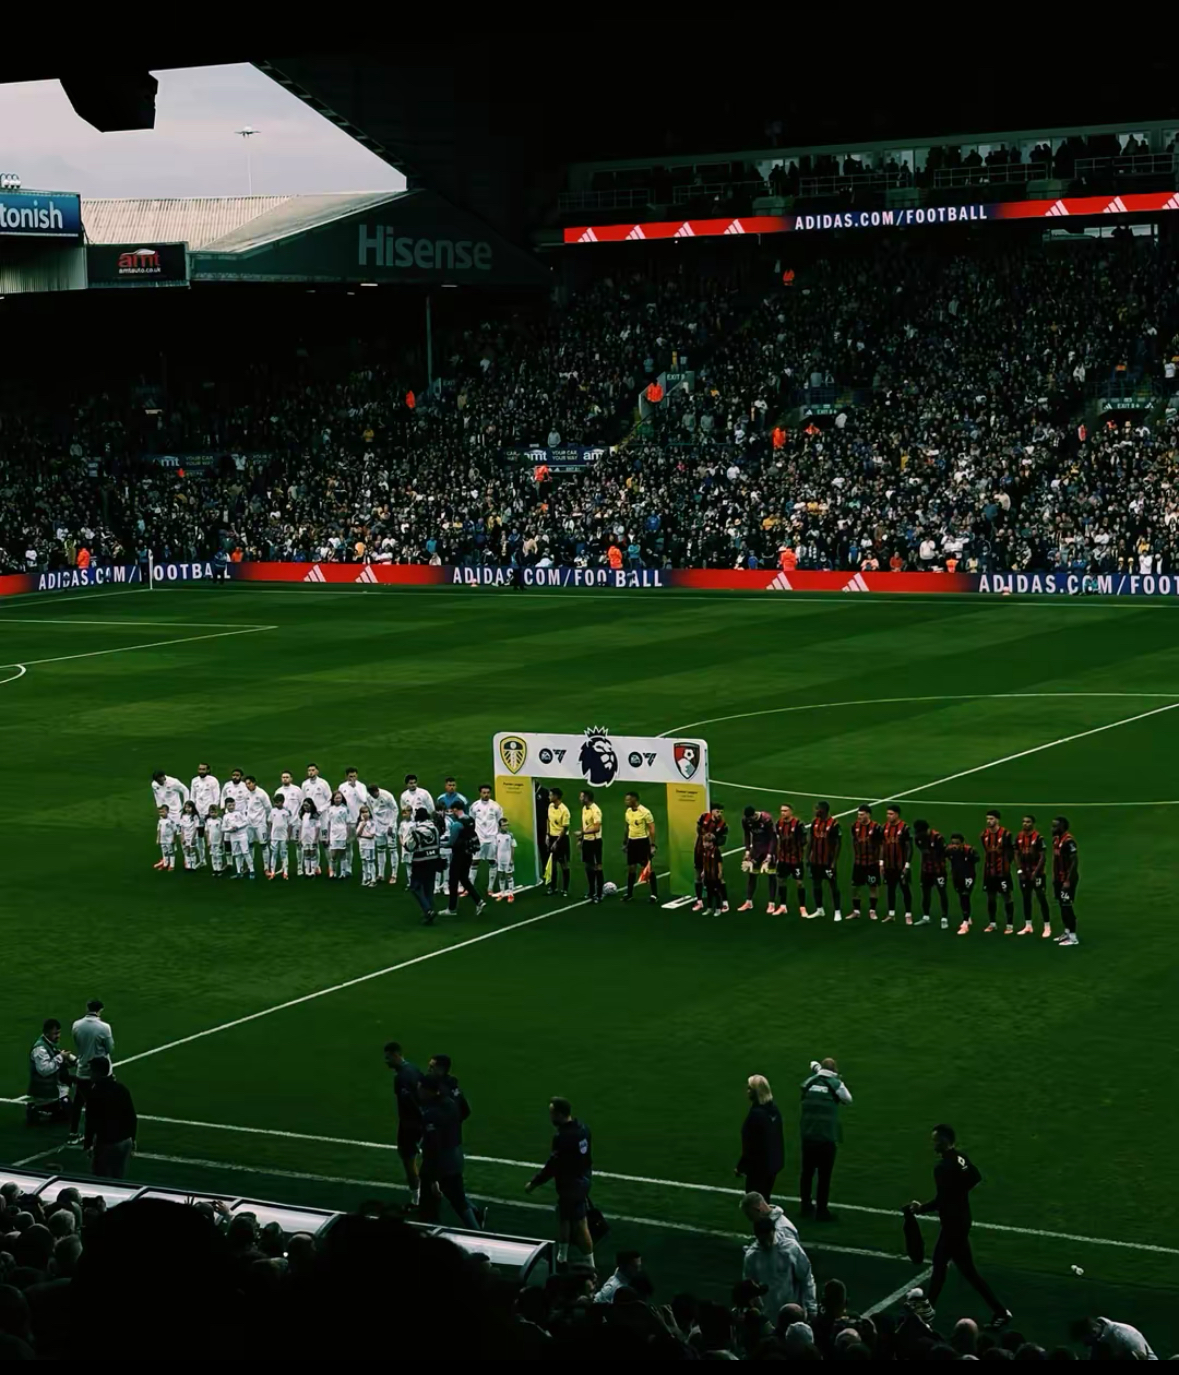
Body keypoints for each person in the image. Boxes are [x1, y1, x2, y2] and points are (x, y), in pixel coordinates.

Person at [907, 1124, 1010, 1328]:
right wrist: (959, 1192)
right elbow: (975, 1177)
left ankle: (926, 1314)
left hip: (953, 1224)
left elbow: (942, 1199)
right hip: (962, 1219)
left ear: (944, 1141)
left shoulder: (942, 1168)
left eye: (936, 1140)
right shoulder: (960, 1158)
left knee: (940, 1266)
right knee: (966, 1271)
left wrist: (921, 1208)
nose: (933, 1144)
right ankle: (1000, 1311)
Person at [526, 1096, 595, 1269]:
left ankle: (590, 1265)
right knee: (564, 1216)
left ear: (559, 1114)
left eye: (552, 1113)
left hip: (571, 1184)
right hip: (583, 1178)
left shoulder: (563, 1137)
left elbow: (553, 1165)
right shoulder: (583, 1128)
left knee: (580, 1224)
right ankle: (562, 1256)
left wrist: (535, 1183)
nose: (550, 1117)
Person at [418, 1075, 485, 1230]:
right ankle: (476, 1227)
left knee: (430, 1204)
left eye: (420, 1087)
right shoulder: (450, 1103)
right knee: (458, 1197)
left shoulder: (431, 1114)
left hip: (440, 1163)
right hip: (456, 1155)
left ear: (428, 1090)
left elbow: (433, 1147)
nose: (418, 1090)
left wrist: (433, 1178)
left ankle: (430, 1232)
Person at [742, 1208, 816, 1323]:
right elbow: (748, 1289)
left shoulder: (790, 1248)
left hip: (793, 1313)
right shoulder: (752, 1256)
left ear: (774, 1231)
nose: (767, 1244)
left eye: (769, 1239)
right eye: (762, 1241)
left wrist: (811, 1307)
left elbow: (806, 1278)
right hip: (767, 1316)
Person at [799, 1058, 851, 1221]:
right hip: (826, 1138)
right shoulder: (836, 1084)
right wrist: (837, 1080)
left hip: (808, 1135)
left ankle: (805, 1206)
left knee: (806, 1173)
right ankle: (822, 1210)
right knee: (824, 1176)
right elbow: (848, 1099)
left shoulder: (808, 1082)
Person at [383, 1042, 425, 1206]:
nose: (386, 1061)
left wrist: (416, 1123)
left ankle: (416, 1198)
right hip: (418, 1122)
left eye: (388, 1058)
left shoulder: (401, 1077)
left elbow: (409, 1103)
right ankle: (423, 1194)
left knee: (408, 1160)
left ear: (396, 1055)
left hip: (409, 1125)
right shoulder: (414, 1069)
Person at [84, 1057, 138, 1180]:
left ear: (98, 1073)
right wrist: (133, 1138)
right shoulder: (121, 1089)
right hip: (125, 1141)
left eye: (92, 1071)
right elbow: (131, 1116)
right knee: (118, 1176)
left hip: (108, 1143)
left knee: (101, 1178)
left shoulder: (95, 1092)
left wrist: (88, 1144)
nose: (90, 1073)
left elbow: (91, 1121)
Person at [69, 997, 114, 1141]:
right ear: (100, 1010)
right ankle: (103, 1131)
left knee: (78, 1102)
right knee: (104, 1102)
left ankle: (73, 1132)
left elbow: (77, 1043)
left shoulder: (76, 1025)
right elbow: (109, 1048)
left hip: (82, 1068)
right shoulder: (104, 1027)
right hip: (101, 1071)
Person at [736, 1074, 784, 1202]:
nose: (747, 1091)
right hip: (772, 1164)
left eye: (749, 1089)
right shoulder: (774, 1111)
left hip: (759, 1167)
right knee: (764, 1199)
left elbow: (751, 1145)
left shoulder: (756, 1115)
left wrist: (741, 1166)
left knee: (755, 1204)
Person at [27, 1018, 74, 1125]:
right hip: (45, 1090)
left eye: (59, 1032)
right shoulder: (40, 1050)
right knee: (66, 1114)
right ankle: (37, 1111)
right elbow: (44, 1070)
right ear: (47, 1033)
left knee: (68, 1112)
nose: (58, 1036)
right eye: (55, 1033)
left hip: (52, 1087)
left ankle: (44, 1111)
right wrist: (60, 1057)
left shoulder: (49, 1044)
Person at [443, 803, 486, 916]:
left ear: (456, 809)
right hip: (468, 853)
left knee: (453, 881)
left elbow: (451, 843)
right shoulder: (470, 820)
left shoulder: (457, 825)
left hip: (458, 855)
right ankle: (478, 901)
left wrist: (440, 844)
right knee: (464, 879)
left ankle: (452, 909)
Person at [1015, 813, 1052, 938]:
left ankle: (1047, 926)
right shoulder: (1019, 837)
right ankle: (1028, 925)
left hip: (1037, 874)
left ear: (1033, 824)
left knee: (1041, 897)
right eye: (1024, 821)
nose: (1025, 824)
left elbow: (1042, 856)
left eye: (1028, 822)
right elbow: (1016, 854)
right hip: (1024, 873)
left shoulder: (1038, 838)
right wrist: (1020, 870)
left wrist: (1035, 872)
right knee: (1026, 898)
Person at [980, 809, 1016, 934]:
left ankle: (1010, 925)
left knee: (1007, 897)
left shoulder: (1006, 834)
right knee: (991, 897)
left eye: (991, 819)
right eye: (988, 819)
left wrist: (1005, 866)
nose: (989, 821)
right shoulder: (983, 835)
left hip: (1002, 872)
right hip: (989, 872)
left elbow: (1010, 852)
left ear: (997, 820)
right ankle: (992, 923)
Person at [405, 806, 442, 924]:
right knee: (429, 888)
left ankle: (428, 910)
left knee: (415, 887)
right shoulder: (435, 828)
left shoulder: (417, 830)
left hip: (421, 861)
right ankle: (429, 913)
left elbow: (409, 846)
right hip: (434, 860)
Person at [807, 801, 843, 921]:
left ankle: (837, 911)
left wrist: (834, 862)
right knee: (816, 884)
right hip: (815, 860)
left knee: (833, 885)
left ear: (823, 810)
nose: (815, 810)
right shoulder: (814, 823)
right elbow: (811, 840)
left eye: (817, 809)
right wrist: (808, 856)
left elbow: (838, 844)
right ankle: (819, 909)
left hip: (827, 861)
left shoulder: (834, 824)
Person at [622, 791, 658, 904]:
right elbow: (627, 827)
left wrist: (652, 845)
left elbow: (652, 829)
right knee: (631, 868)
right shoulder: (628, 812)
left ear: (635, 800)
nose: (626, 801)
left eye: (628, 799)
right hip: (632, 842)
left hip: (642, 842)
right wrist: (625, 842)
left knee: (647, 868)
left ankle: (654, 894)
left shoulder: (645, 812)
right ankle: (629, 893)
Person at [738, 807, 777, 913]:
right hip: (756, 850)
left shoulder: (766, 819)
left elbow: (773, 838)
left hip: (768, 849)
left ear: (755, 815)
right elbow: (747, 835)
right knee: (752, 875)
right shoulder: (745, 820)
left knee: (771, 876)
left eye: (751, 819)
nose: (749, 821)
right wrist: (747, 851)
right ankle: (749, 901)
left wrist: (769, 855)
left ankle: (771, 904)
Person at [693, 801, 729, 913]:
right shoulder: (704, 817)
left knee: (718, 877)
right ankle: (699, 901)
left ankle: (724, 902)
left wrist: (712, 843)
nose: (719, 814)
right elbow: (698, 828)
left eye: (721, 812)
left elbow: (723, 840)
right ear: (712, 811)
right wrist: (703, 840)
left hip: (712, 854)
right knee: (698, 875)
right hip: (699, 850)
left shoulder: (723, 825)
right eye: (717, 811)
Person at [849, 804, 883, 921]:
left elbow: (880, 845)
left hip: (872, 863)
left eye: (862, 815)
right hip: (859, 863)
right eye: (858, 814)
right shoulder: (855, 826)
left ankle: (872, 910)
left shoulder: (876, 827)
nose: (859, 817)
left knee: (873, 887)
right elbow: (855, 841)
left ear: (868, 815)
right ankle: (856, 911)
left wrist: (880, 861)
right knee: (855, 886)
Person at [913, 820, 949, 928]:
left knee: (942, 892)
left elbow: (943, 853)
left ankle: (944, 917)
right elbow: (921, 849)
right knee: (925, 893)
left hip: (939, 871)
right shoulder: (918, 837)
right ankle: (926, 916)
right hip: (926, 870)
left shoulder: (938, 838)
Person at [773, 804, 807, 917]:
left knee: (799, 883)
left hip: (796, 860)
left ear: (791, 812)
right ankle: (782, 906)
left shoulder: (798, 824)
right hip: (783, 859)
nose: (783, 813)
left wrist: (798, 848)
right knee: (781, 881)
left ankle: (802, 907)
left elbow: (804, 840)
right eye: (782, 811)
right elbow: (777, 839)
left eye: (785, 811)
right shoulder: (778, 823)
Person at [881, 804, 914, 924]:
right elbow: (883, 846)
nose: (888, 816)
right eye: (887, 814)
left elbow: (910, 848)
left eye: (891, 814)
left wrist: (907, 865)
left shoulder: (905, 828)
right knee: (890, 889)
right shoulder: (884, 827)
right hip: (889, 865)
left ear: (897, 814)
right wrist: (881, 862)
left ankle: (908, 914)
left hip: (901, 866)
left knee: (905, 889)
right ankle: (891, 914)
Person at [1051, 815, 1079, 947]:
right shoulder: (1056, 840)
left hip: (1067, 879)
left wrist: (1067, 880)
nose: (1052, 828)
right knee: (1062, 905)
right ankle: (1067, 932)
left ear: (1062, 827)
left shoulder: (1069, 841)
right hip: (1058, 879)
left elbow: (1074, 861)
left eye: (1055, 826)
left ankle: (1073, 937)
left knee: (1067, 906)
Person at [470, 784, 504, 892]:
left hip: (492, 838)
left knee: (492, 862)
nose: (486, 795)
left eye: (488, 793)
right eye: (484, 793)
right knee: (475, 861)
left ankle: (490, 888)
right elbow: (471, 821)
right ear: (480, 793)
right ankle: (470, 887)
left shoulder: (496, 806)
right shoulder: (474, 806)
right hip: (479, 838)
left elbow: (500, 821)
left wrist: (498, 836)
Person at [338, 767, 368, 879]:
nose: (352, 778)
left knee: (363, 846)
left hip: (360, 821)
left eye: (354, 776)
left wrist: (355, 788)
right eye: (350, 777)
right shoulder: (342, 787)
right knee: (348, 846)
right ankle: (348, 868)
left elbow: (364, 799)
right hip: (348, 821)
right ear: (346, 777)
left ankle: (366, 870)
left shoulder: (361, 786)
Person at [366, 784, 399, 884]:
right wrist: (375, 824)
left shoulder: (387, 796)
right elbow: (372, 811)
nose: (374, 796)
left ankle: (394, 874)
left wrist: (391, 825)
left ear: (377, 791)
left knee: (392, 850)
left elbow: (395, 809)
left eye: (375, 794)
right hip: (378, 826)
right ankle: (381, 874)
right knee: (380, 850)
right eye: (372, 794)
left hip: (389, 825)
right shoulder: (368, 797)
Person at [576, 788, 604, 903]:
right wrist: (581, 839)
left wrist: (582, 833)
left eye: (581, 796)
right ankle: (591, 891)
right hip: (587, 841)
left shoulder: (595, 810)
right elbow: (585, 825)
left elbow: (596, 828)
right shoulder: (584, 809)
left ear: (587, 798)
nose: (580, 798)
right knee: (588, 866)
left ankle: (599, 893)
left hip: (595, 841)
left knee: (598, 866)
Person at [189, 763, 220, 866]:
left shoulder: (213, 781)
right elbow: (192, 796)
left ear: (208, 770)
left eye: (203, 769)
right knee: (199, 837)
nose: (201, 771)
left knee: (213, 837)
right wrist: (193, 810)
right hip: (198, 812)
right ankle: (202, 860)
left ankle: (216, 861)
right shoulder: (194, 781)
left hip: (209, 814)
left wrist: (211, 811)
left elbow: (216, 797)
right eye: (200, 769)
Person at [948, 832, 979, 935]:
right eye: (953, 843)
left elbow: (976, 859)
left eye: (957, 843)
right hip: (956, 876)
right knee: (961, 896)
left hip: (968, 876)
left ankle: (965, 923)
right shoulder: (950, 851)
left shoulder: (970, 851)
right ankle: (967, 916)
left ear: (962, 843)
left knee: (965, 895)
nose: (955, 846)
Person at [427, 1054, 471, 1125]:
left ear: (441, 1069)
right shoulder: (453, 1085)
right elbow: (465, 1111)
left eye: (432, 1067)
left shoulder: (442, 1090)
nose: (428, 1069)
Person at [303, 765, 332, 865]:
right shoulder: (305, 784)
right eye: (309, 770)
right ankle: (316, 867)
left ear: (317, 771)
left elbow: (329, 800)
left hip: (322, 817)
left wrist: (320, 810)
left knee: (325, 842)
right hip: (311, 818)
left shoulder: (323, 783)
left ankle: (330, 866)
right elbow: (304, 801)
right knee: (313, 843)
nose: (311, 772)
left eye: (313, 770)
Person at [545, 787, 572, 896]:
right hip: (551, 837)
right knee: (552, 863)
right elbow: (548, 820)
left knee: (564, 864)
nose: (549, 797)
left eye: (551, 795)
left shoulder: (564, 810)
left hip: (561, 839)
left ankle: (565, 889)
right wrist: (547, 835)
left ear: (556, 797)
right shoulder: (550, 806)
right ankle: (553, 887)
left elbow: (565, 828)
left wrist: (557, 842)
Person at [243, 777, 271, 874]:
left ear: (254, 783)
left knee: (263, 845)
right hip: (249, 824)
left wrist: (265, 820)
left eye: (249, 783)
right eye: (246, 783)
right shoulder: (245, 793)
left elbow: (268, 808)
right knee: (250, 845)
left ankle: (266, 867)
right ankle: (250, 867)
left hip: (260, 824)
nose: (248, 785)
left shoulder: (261, 793)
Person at [222, 797, 253, 878]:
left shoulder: (239, 813)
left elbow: (246, 822)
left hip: (242, 836)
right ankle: (239, 872)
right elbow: (223, 828)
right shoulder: (225, 816)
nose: (231, 807)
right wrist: (230, 829)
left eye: (233, 805)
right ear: (226, 806)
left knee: (245, 852)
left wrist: (237, 827)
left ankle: (252, 870)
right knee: (237, 854)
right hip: (233, 837)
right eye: (229, 805)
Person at [266, 792, 291, 880]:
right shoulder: (273, 811)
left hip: (283, 836)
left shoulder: (286, 812)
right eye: (275, 802)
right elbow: (269, 822)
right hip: (274, 836)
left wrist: (288, 835)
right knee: (274, 854)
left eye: (278, 802)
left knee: (284, 854)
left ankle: (285, 872)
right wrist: (269, 834)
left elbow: (289, 824)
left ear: (282, 802)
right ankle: (272, 872)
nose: (276, 804)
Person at [326, 791, 350, 880]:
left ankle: (343, 873)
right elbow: (328, 823)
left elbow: (347, 823)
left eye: (339, 798)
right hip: (333, 834)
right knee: (333, 854)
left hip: (342, 833)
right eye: (336, 798)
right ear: (333, 799)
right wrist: (327, 836)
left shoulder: (344, 809)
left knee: (343, 853)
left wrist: (348, 835)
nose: (338, 800)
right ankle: (334, 872)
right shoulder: (330, 809)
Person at [700, 832, 724, 914]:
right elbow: (704, 862)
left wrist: (720, 873)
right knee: (709, 892)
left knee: (716, 892)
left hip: (715, 875)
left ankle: (718, 908)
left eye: (705, 842)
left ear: (711, 842)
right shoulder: (705, 851)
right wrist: (703, 871)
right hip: (707, 875)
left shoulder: (716, 851)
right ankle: (709, 908)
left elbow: (719, 862)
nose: (704, 843)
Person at [297, 799, 320, 878]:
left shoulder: (315, 814)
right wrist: (299, 837)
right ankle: (307, 871)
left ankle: (313, 871)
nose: (305, 807)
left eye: (307, 805)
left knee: (313, 853)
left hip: (312, 836)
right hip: (304, 836)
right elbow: (300, 826)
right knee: (306, 852)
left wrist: (316, 839)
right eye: (304, 805)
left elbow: (318, 827)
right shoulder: (302, 814)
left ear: (311, 805)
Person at [356, 805, 377, 887]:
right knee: (363, 862)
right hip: (362, 845)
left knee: (371, 862)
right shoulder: (360, 823)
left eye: (366, 812)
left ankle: (373, 879)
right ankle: (365, 878)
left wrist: (361, 835)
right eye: (363, 812)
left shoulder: (372, 823)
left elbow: (371, 835)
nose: (365, 814)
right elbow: (357, 833)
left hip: (370, 846)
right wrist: (362, 825)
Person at [177, 800, 200, 871]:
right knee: (186, 850)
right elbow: (182, 828)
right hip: (186, 836)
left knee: (192, 850)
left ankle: (193, 865)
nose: (187, 809)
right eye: (186, 807)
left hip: (192, 835)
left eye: (189, 807)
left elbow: (196, 828)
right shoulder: (183, 816)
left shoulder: (195, 816)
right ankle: (188, 864)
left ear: (192, 808)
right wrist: (182, 837)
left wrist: (193, 837)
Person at [205, 803, 226, 877]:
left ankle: (219, 869)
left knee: (219, 855)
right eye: (211, 812)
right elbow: (207, 832)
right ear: (209, 813)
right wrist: (208, 841)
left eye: (215, 812)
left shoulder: (220, 820)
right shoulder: (208, 821)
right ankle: (215, 869)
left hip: (219, 841)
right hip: (212, 841)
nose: (213, 814)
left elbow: (223, 832)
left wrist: (221, 841)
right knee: (213, 855)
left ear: (218, 812)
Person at [154, 805, 177, 872]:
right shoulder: (160, 820)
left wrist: (174, 839)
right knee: (165, 852)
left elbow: (175, 830)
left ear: (167, 811)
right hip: (162, 839)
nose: (161, 814)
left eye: (163, 812)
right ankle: (166, 864)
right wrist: (158, 839)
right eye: (160, 812)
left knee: (170, 852)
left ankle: (172, 865)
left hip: (169, 839)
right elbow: (159, 830)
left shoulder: (170, 821)